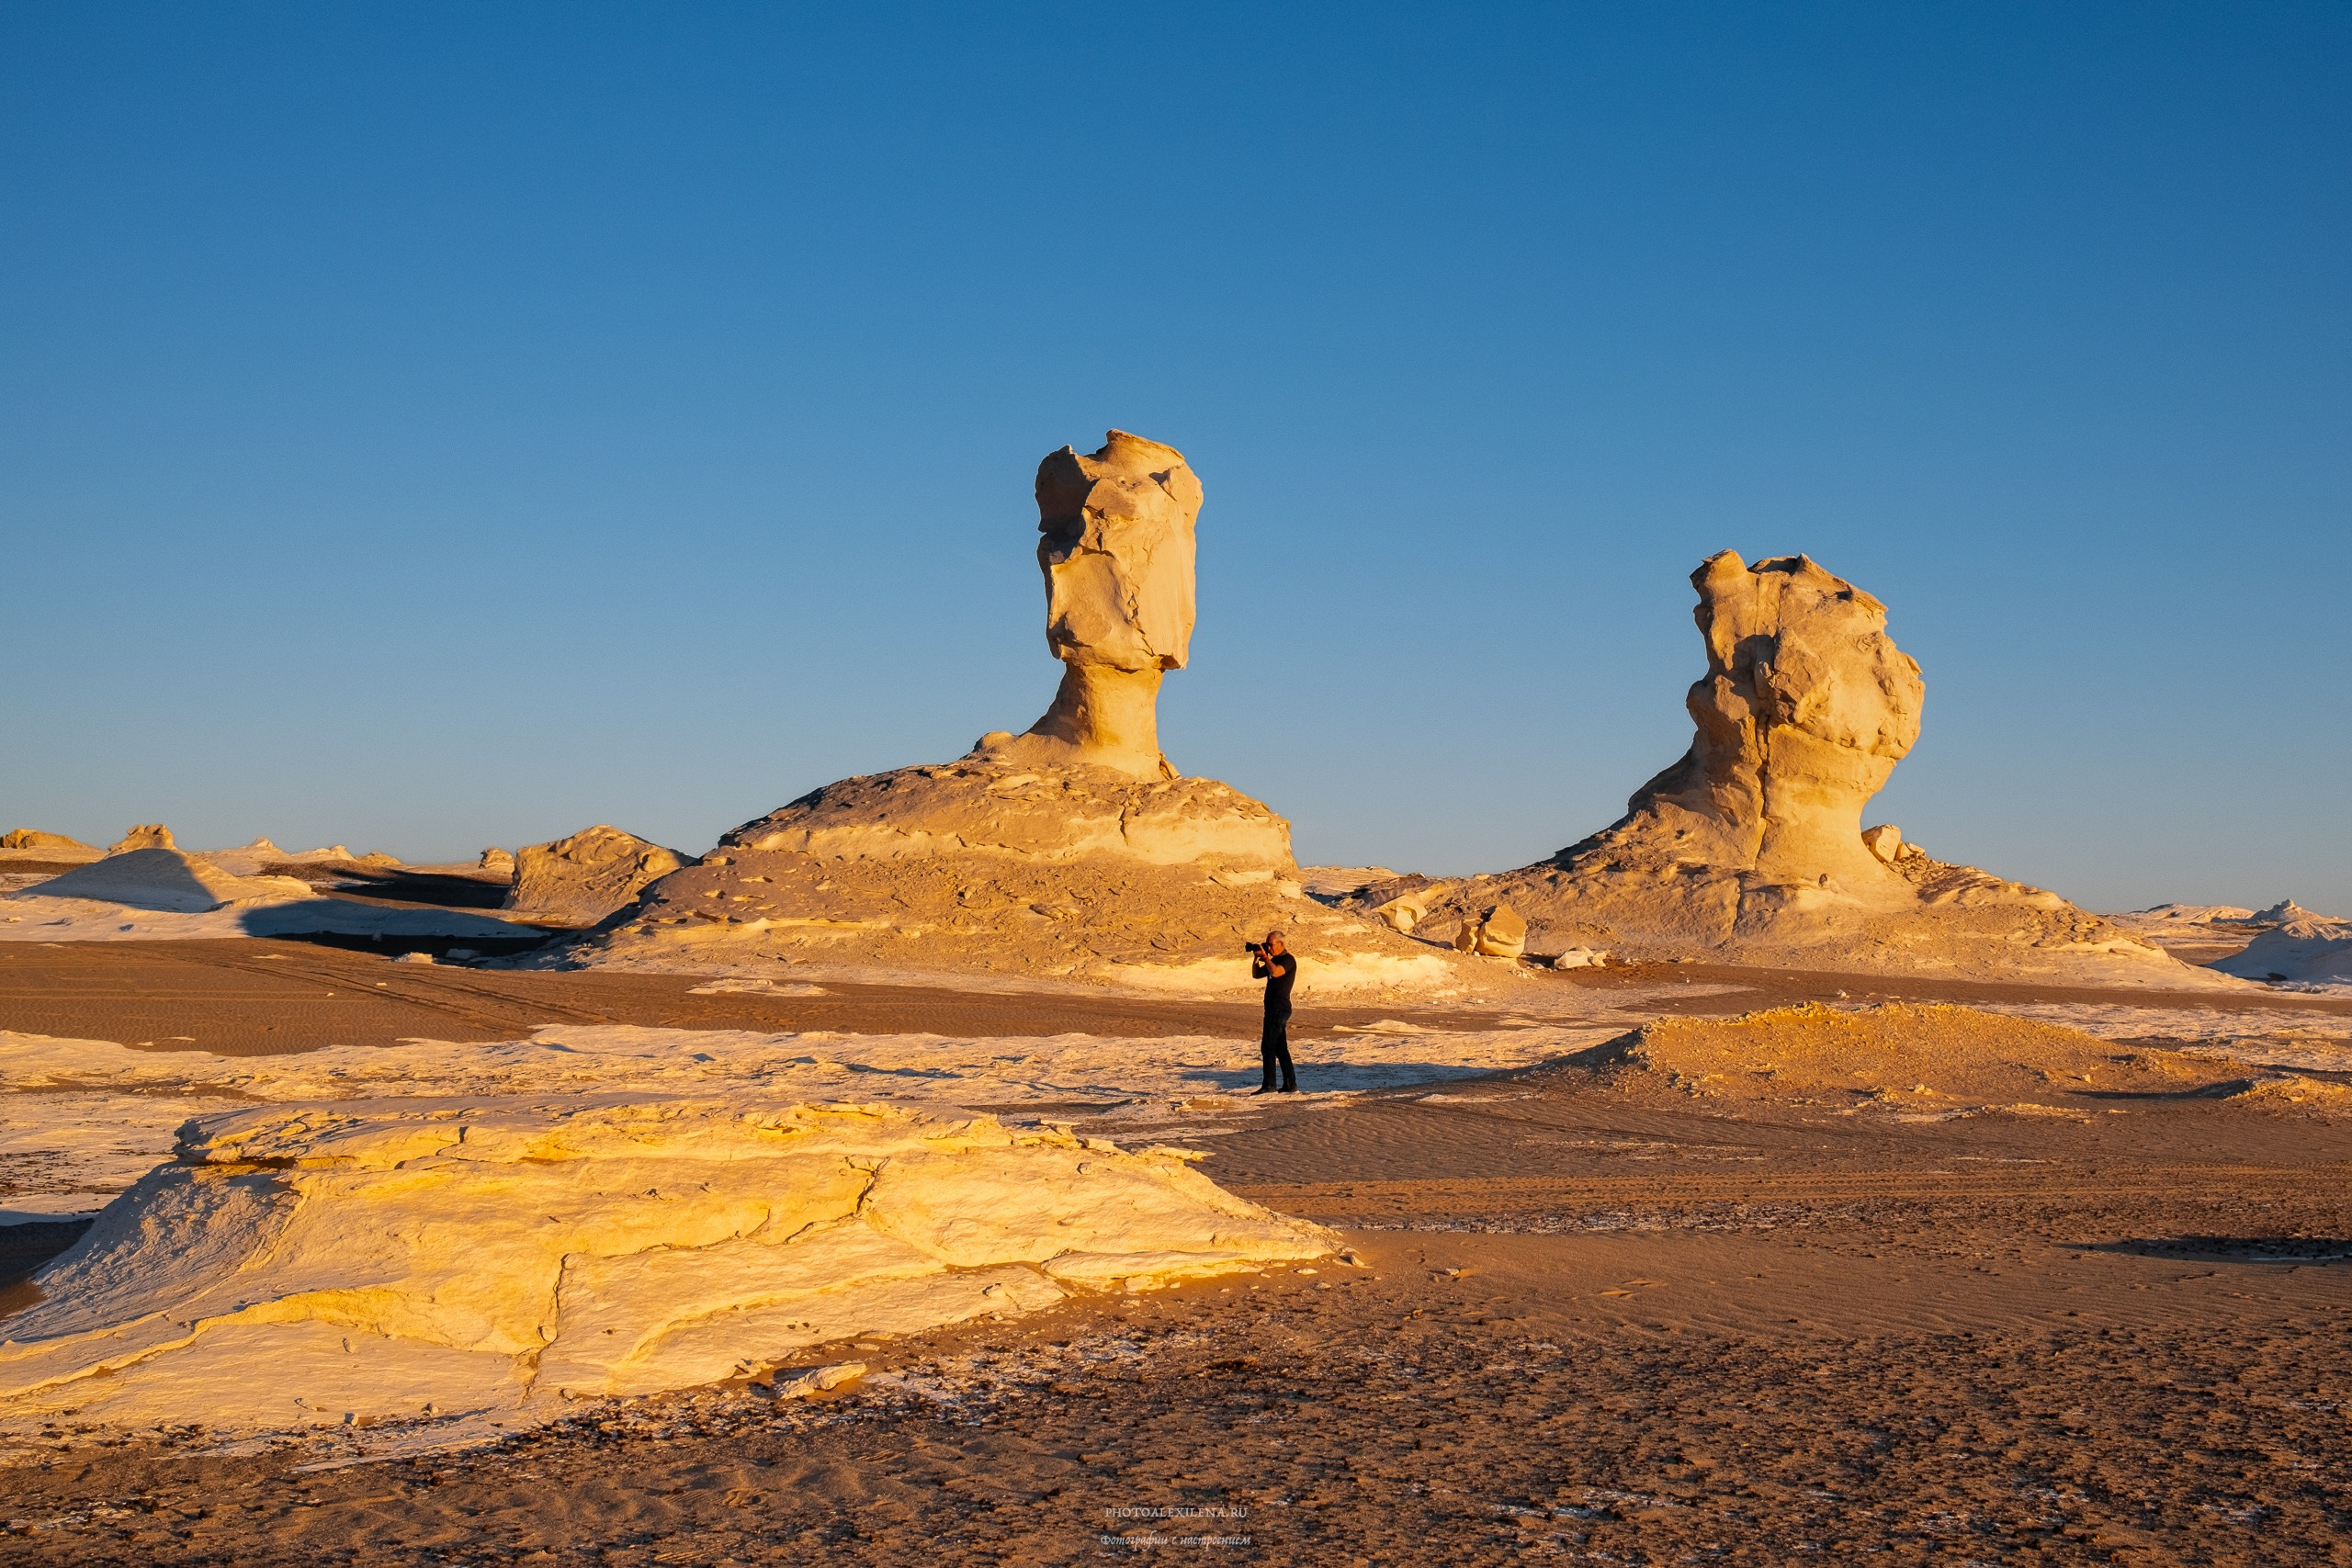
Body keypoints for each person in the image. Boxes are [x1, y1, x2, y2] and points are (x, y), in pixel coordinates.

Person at [1249, 931, 1299, 1094]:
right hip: (1271, 1009)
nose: (1269, 948)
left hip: (1280, 1009)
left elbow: (1276, 972)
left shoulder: (1288, 960)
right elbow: (1256, 975)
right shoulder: (1273, 960)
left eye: (1271, 944)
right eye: (1267, 944)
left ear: (1281, 944)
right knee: (1280, 1048)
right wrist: (1257, 957)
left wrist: (1266, 958)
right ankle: (1290, 1085)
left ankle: (1269, 1085)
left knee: (1268, 1047)